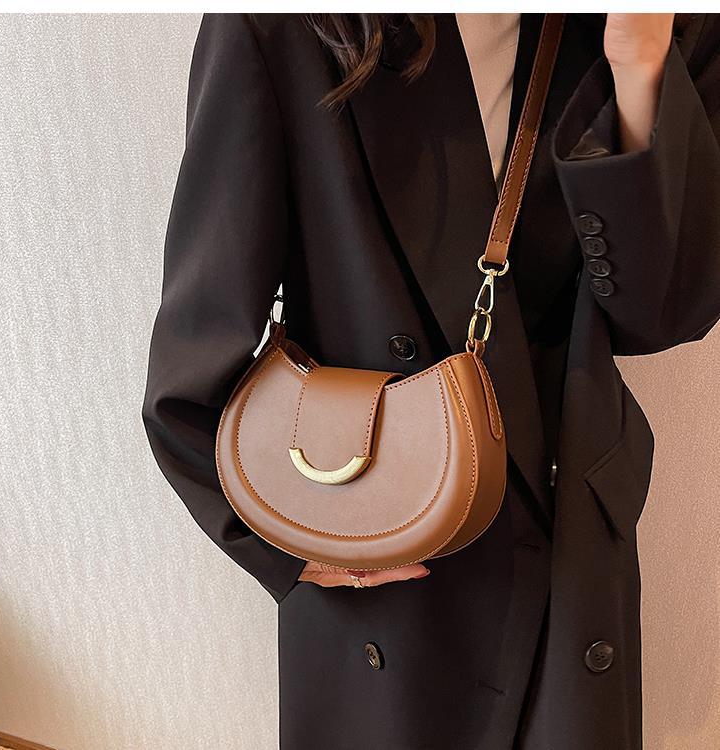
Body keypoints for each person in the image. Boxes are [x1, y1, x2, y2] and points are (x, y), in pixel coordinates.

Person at [141, 13, 720, 749]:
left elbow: (662, 314)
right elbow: (195, 355)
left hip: (569, 537)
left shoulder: (651, 25)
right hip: (384, 535)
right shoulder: (286, 24)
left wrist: (638, 57)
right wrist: (289, 545)